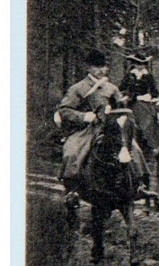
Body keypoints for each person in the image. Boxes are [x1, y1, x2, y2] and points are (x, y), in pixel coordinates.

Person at [56, 49, 137, 198]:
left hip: (110, 128)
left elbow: (121, 108)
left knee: (134, 148)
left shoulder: (112, 88)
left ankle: (139, 183)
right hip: (87, 129)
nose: (101, 70)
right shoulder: (78, 88)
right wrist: (84, 116)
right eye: (97, 66)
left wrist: (125, 103)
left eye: (103, 66)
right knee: (72, 152)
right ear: (88, 68)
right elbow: (64, 110)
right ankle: (72, 190)